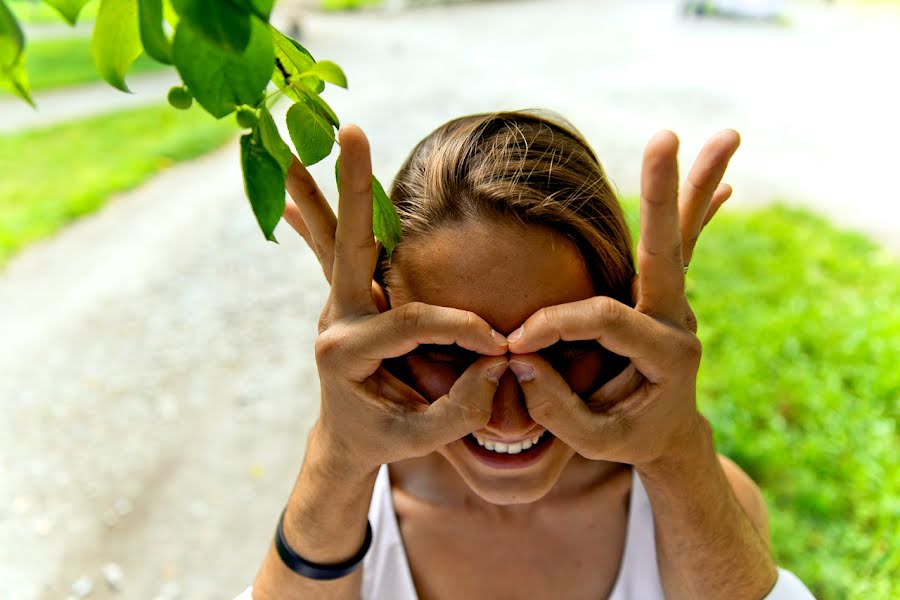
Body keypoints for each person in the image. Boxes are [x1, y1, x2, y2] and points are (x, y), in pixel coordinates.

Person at [234, 110, 817, 599]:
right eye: (446, 350)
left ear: (626, 329)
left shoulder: (693, 500)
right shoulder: (343, 514)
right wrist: (337, 457)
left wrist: (677, 451)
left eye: (562, 349)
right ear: (385, 339)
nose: (507, 417)